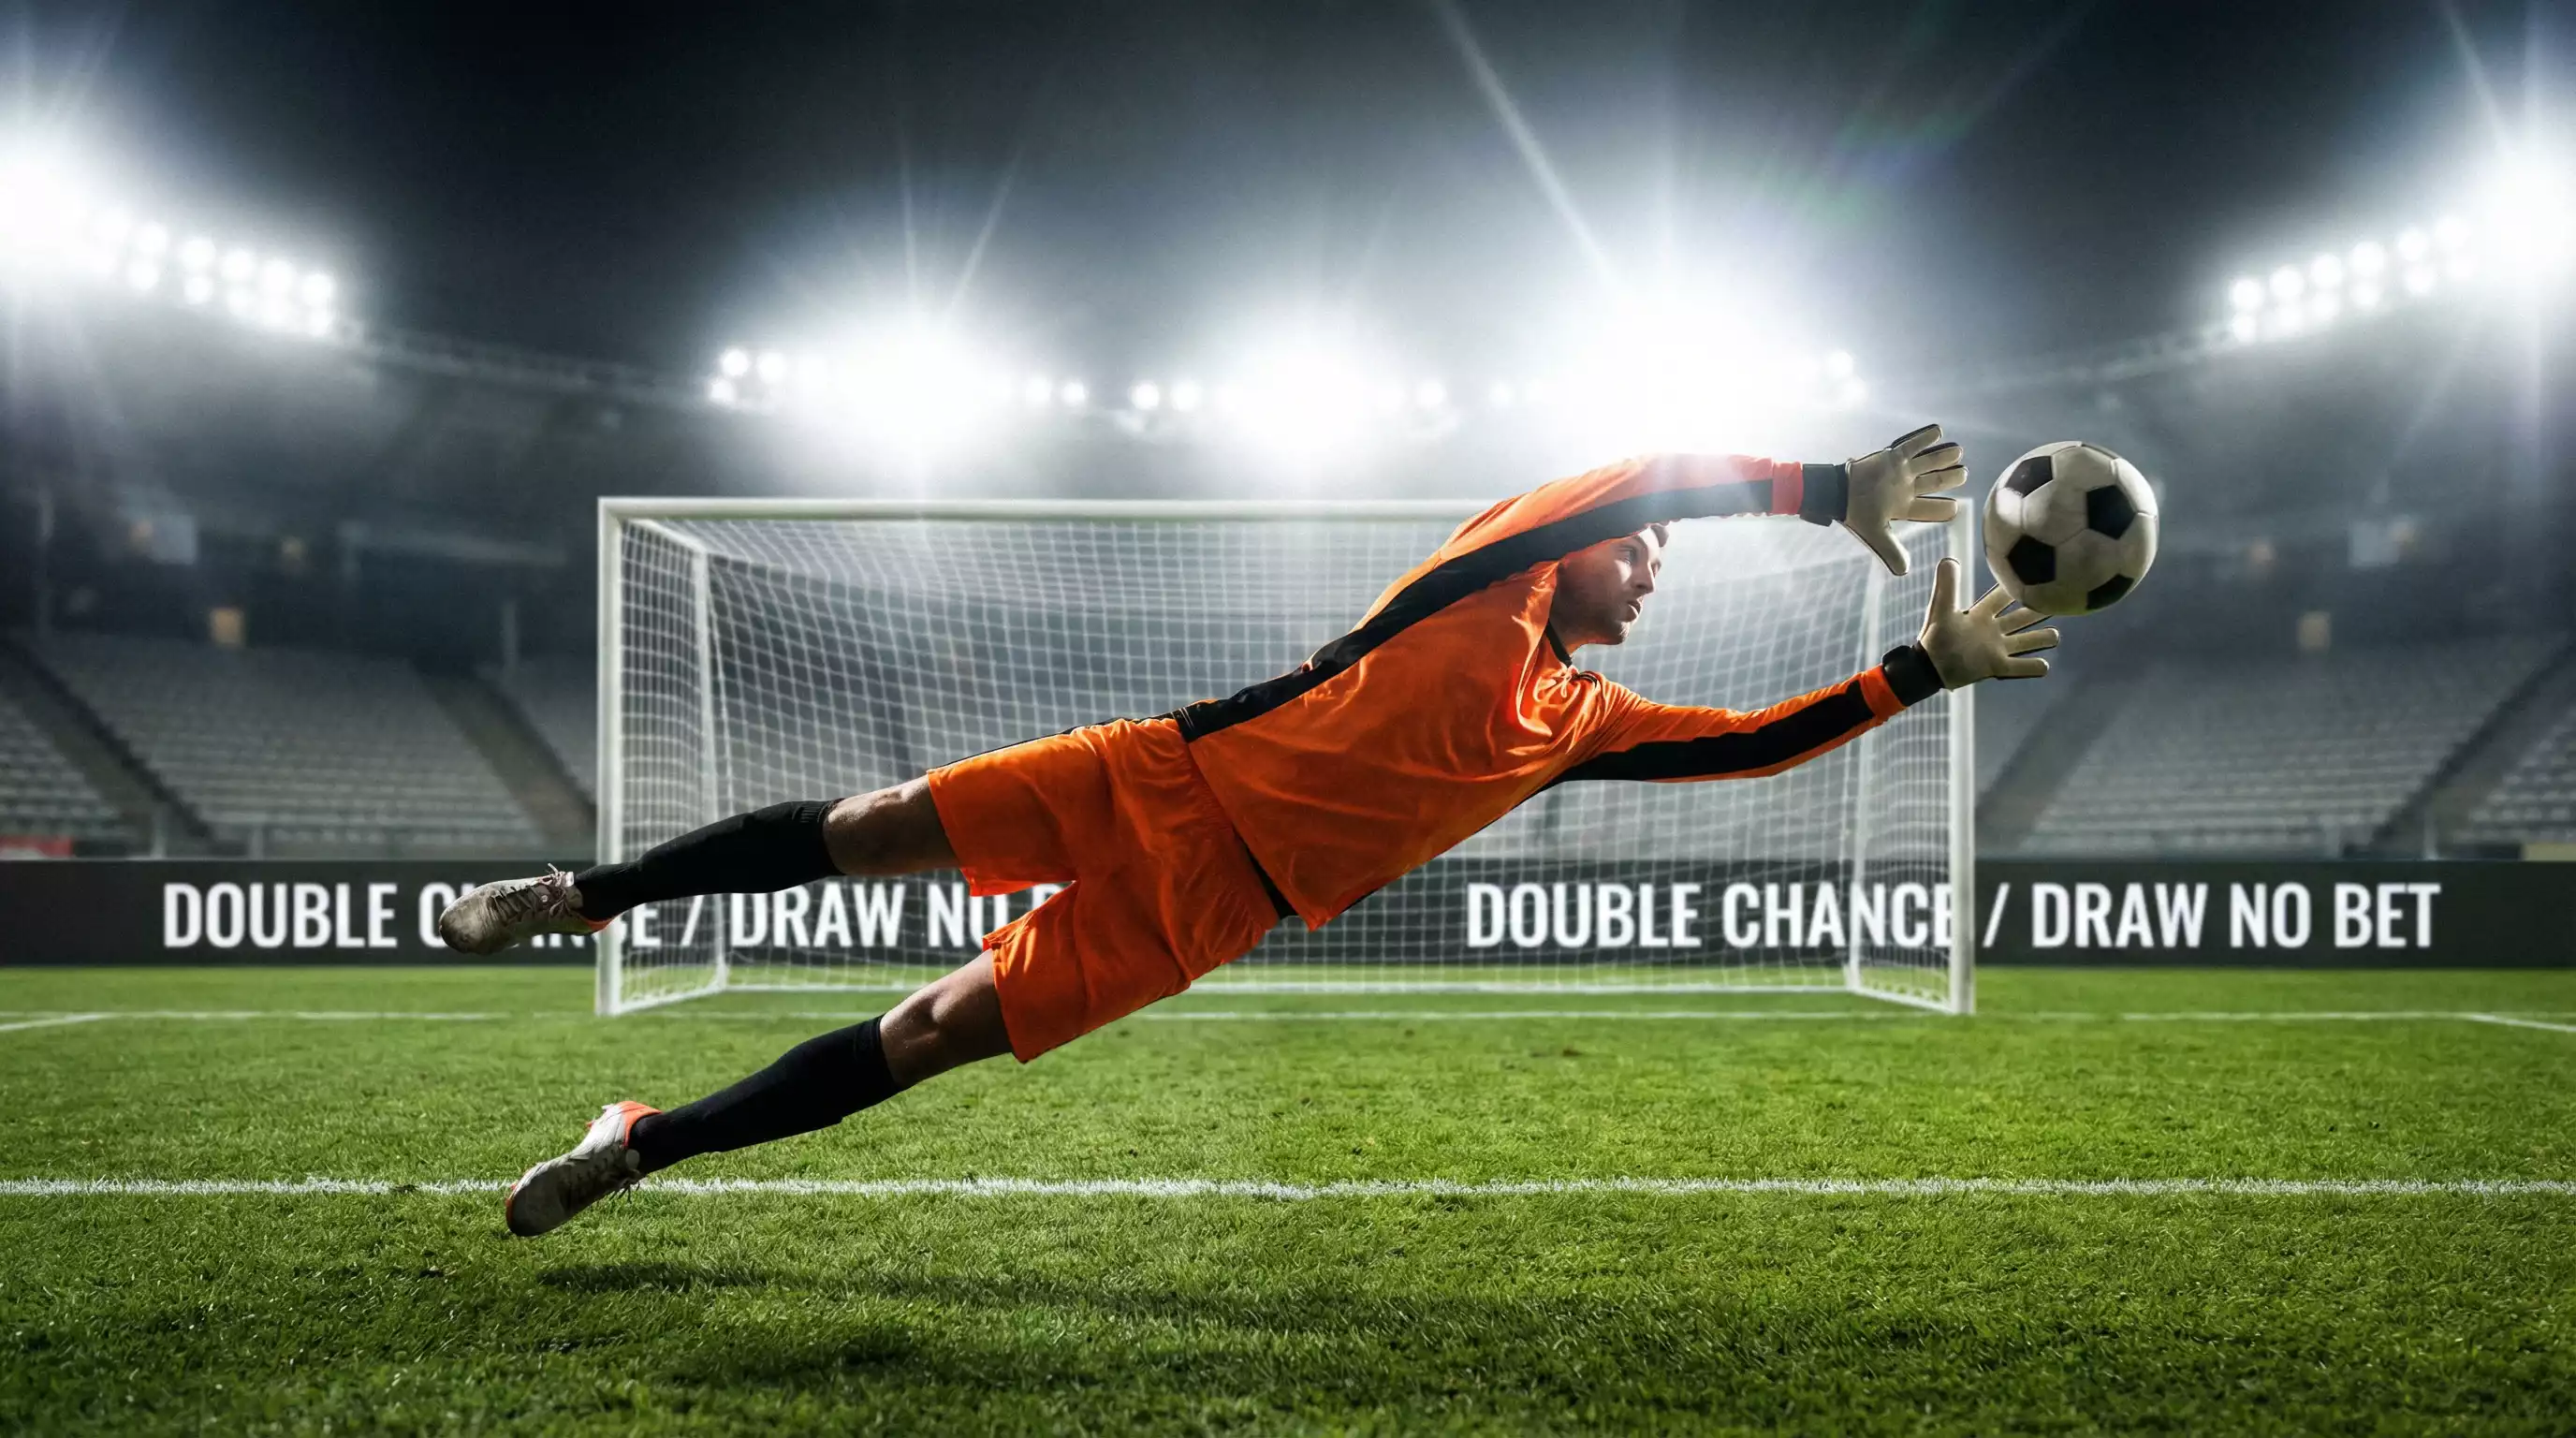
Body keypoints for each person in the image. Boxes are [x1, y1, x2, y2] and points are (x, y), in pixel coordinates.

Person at [445, 423, 2057, 1237]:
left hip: (1213, 908)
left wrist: (1924, 665)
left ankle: (632, 1147)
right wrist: (1819, 483)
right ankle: (572, 897)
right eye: (1642, 559)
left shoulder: (1576, 726)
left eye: (1658, 566)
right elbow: (1624, 487)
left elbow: (1757, 746)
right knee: (866, 826)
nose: (1650, 566)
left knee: (932, 1027)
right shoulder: (1486, 579)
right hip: (1158, 774)